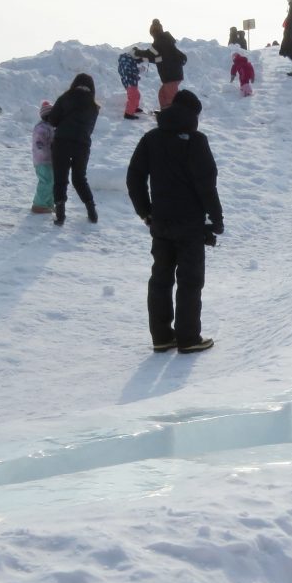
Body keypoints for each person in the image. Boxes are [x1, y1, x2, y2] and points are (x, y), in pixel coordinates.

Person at [126, 89, 224, 354]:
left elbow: (134, 177)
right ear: (193, 115)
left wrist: (145, 212)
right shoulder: (196, 141)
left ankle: (161, 337)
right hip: (190, 224)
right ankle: (188, 338)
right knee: (190, 280)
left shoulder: (151, 139)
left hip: (160, 222)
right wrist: (216, 219)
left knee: (160, 278)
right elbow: (206, 184)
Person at [46, 73, 100, 225]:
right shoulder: (94, 106)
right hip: (82, 145)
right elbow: (90, 129)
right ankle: (92, 212)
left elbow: (53, 120)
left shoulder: (66, 97)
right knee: (79, 178)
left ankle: (60, 215)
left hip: (62, 142)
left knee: (60, 178)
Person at [135, 19, 187, 110]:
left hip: (171, 76)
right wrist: (141, 59)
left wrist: (138, 53)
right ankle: (165, 111)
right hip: (174, 74)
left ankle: (173, 114)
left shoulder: (159, 42)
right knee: (162, 94)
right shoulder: (166, 42)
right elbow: (158, 58)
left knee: (171, 98)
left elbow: (149, 54)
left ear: (153, 32)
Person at [30, 100, 56, 214]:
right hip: (42, 160)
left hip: (49, 160)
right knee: (46, 181)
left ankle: (48, 204)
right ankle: (39, 204)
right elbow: (39, 140)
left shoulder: (51, 127)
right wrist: (40, 145)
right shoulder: (42, 127)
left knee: (51, 182)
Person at [117, 47, 146, 120]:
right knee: (133, 96)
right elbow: (128, 70)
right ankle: (128, 114)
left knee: (137, 95)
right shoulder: (127, 60)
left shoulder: (127, 59)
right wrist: (139, 70)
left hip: (131, 81)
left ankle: (133, 108)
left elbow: (129, 69)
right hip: (129, 82)